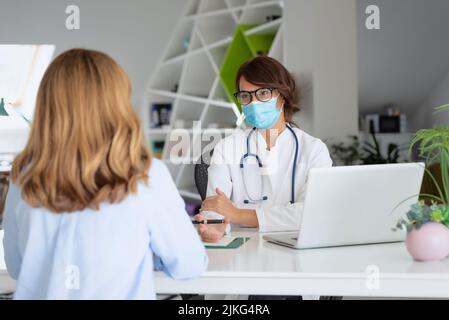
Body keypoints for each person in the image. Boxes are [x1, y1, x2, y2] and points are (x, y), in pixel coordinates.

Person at [2, 49, 207, 299]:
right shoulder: (147, 174)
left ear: (48, 106)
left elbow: (16, 266)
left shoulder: (22, 176)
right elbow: (188, 265)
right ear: (118, 104)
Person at [196, 56, 332, 242]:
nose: (253, 102)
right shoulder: (226, 148)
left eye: (263, 93)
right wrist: (214, 226)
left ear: (282, 96)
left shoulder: (315, 150)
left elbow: (311, 213)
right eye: (245, 96)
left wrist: (239, 215)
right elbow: (215, 208)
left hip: (295, 247)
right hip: (242, 249)